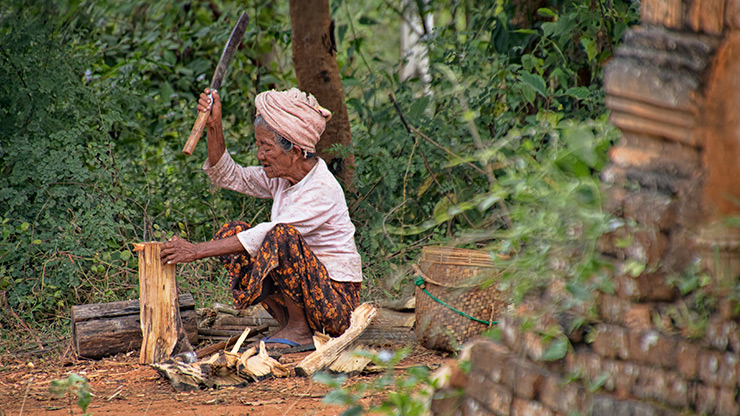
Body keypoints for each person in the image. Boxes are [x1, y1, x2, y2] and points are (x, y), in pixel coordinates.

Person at [160, 87, 362, 351]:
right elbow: (228, 175)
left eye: (266, 147)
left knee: (281, 236)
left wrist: (195, 250)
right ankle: (289, 322)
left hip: (334, 308)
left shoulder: (322, 188)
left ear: (296, 150)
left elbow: (269, 233)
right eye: (259, 146)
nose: (260, 156)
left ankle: (300, 330)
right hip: (312, 299)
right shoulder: (282, 177)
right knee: (231, 232)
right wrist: (214, 126)